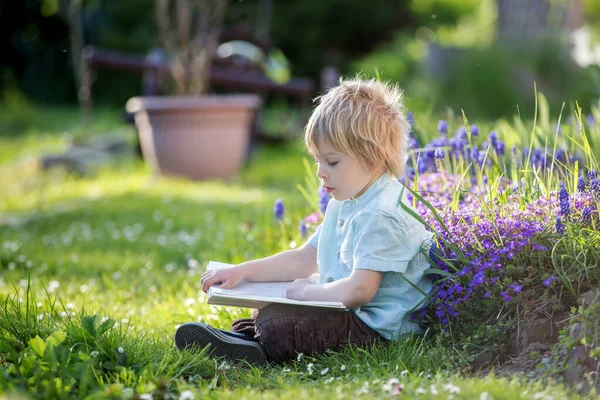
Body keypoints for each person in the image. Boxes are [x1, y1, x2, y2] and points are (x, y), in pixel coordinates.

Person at [175, 77, 435, 365]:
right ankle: (245, 342)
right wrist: (243, 271)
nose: (321, 173)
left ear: (374, 158)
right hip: (352, 313)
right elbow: (303, 259)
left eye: (332, 162)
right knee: (269, 314)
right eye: (317, 160)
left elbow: (360, 291)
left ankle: (257, 345)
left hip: (378, 329)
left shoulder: (380, 215)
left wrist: (309, 293)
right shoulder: (346, 202)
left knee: (276, 325)